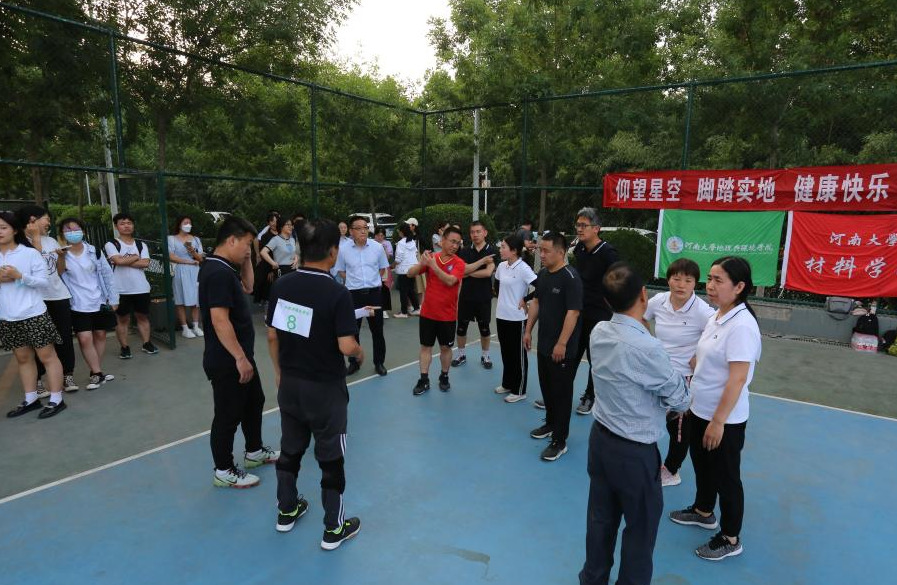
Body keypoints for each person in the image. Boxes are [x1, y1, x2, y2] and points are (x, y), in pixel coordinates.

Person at [579, 262, 691, 585]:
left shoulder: (599, 331)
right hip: (635, 453)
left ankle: (592, 579)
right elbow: (681, 399)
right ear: (644, 294)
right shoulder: (647, 347)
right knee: (640, 530)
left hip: (601, 442)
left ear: (606, 301)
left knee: (600, 519)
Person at [267, 219, 365, 550]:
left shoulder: (282, 286)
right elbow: (346, 345)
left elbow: (273, 335)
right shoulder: (337, 293)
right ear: (333, 251)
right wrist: (360, 352)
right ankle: (333, 529)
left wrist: (279, 372)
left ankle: (286, 510)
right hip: (325, 390)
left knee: (290, 449)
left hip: (291, 384)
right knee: (331, 459)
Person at [669, 256, 761, 561]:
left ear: (739, 286)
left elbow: (737, 379)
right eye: (709, 278)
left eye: (718, 280)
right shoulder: (718, 315)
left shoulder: (742, 326)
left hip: (725, 418)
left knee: (726, 477)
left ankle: (731, 537)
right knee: (703, 464)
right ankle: (703, 511)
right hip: (701, 408)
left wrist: (719, 421)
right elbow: (709, 356)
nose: (710, 285)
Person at [199, 216, 279, 489]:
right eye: (246, 244)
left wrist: (246, 259)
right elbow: (220, 320)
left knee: (254, 401)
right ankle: (224, 470)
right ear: (231, 240)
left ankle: (254, 452)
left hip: (240, 355)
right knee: (228, 414)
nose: (249, 250)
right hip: (228, 359)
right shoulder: (218, 273)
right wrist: (240, 358)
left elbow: (249, 287)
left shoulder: (224, 267)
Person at [644, 258, 715, 487]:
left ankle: (672, 470)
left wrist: (699, 355)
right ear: (668, 280)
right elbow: (640, 316)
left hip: (684, 378)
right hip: (658, 373)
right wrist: (648, 341)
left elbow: (717, 335)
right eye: (676, 279)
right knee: (649, 419)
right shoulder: (659, 301)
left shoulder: (702, 311)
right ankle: (647, 461)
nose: (681, 285)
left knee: (679, 429)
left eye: (688, 280)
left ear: (695, 283)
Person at [1, 211, 67, 419]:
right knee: (22, 358)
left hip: (33, 313)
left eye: (3, 228)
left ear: (15, 230)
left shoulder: (29, 253)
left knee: (47, 356)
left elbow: (44, 282)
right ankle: (31, 399)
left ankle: (56, 399)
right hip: (8, 315)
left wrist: (19, 276)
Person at [523, 232, 582, 461]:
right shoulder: (543, 275)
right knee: (547, 388)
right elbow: (536, 302)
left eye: (546, 250)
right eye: (540, 250)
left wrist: (562, 343)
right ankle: (550, 423)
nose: (542, 254)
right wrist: (528, 330)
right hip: (544, 345)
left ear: (561, 252)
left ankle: (560, 440)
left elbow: (573, 313)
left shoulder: (571, 278)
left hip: (562, 349)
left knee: (561, 394)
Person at [16, 205, 78, 395]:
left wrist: (61, 257)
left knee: (64, 337)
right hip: (36, 300)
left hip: (58, 295)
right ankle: (38, 380)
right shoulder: (19, 244)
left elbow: (58, 272)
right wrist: (35, 239)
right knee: (37, 341)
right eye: (46, 219)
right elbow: (33, 269)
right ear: (32, 220)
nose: (48, 223)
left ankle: (67, 375)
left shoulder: (51, 241)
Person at [57, 217, 119, 391]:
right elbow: (58, 273)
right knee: (85, 339)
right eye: (68, 230)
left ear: (83, 231)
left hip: (99, 300)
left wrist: (114, 299)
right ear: (62, 234)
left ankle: (95, 372)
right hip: (77, 303)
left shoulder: (94, 251)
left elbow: (107, 275)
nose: (72, 232)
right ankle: (97, 373)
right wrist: (60, 257)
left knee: (100, 335)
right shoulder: (61, 254)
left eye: (76, 229)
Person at [570, 208, 620, 416]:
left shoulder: (608, 253)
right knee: (571, 354)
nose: (579, 229)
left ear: (596, 228)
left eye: (584, 225)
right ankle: (561, 392)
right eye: (578, 225)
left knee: (595, 359)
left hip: (600, 315)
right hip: (578, 311)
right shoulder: (579, 249)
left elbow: (617, 281)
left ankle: (590, 396)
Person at [407, 226, 466, 395]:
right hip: (428, 313)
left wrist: (433, 265)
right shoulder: (431, 258)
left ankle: (444, 376)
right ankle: (424, 379)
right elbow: (410, 273)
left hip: (447, 316)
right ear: (442, 240)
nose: (455, 246)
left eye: (458, 243)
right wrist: (422, 263)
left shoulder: (459, 263)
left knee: (445, 348)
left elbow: (450, 281)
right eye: (452, 241)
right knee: (426, 347)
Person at [335, 215, 390, 377]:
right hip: (353, 295)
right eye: (358, 228)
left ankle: (379, 362)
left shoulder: (377, 247)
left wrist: (372, 281)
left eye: (365, 227)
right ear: (351, 231)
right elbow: (341, 270)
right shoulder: (343, 249)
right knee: (353, 330)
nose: (363, 231)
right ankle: (354, 362)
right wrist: (354, 281)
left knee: (377, 330)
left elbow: (382, 268)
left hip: (374, 294)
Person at [105, 213, 158, 358]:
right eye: (122, 223)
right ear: (116, 226)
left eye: (129, 223)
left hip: (141, 288)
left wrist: (124, 260)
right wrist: (134, 257)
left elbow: (146, 263)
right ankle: (124, 347)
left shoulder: (141, 245)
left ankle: (147, 343)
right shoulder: (111, 244)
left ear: (133, 225)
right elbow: (118, 261)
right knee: (122, 319)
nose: (126, 226)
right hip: (120, 289)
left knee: (143, 317)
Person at [493, 234, 538, 403]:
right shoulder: (501, 266)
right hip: (501, 315)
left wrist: (525, 299)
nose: (500, 249)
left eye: (503, 247)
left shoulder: (523, 268)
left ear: (514, 251)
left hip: (517, 319)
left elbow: (540, 285)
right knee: (506, 352)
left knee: (518, 355)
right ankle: (507, 383)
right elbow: (497, 284)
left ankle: (519, 390)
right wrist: (504, 300)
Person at [452, 221, 498, 369]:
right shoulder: (464, 251)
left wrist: (468, 271)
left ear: (485, 233)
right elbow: (461, 272)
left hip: (483, 297)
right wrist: (480, 264)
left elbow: (488, 272)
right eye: (472, 232)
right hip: (466, 296)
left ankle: (485, 356)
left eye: (478, 231)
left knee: (484, 329)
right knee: (461, 328)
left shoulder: (492, 250)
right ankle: (461, 355)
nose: (475, 235)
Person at [168, 215, 205, 339]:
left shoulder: (196, 239)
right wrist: (189, 261)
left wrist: (193, 252)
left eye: (189, 222)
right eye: (185, 222)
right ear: (179, 224)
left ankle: (196, 326)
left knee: (196, 299)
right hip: (181, 270)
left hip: (195, 271)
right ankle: (185, 328)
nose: (188, 225)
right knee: (180, 298)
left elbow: (200, 258)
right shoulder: (171, 239)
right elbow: (171, 256)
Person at [392, 222, 420, 317]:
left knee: (403, 292)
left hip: (403, 270)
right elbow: (416, 253)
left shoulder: (401, 243)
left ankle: (404, 312)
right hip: (413, 269)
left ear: (401, 232)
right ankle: (416, 308)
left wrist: (392, 265)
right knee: (411, 290)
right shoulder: (412, 242)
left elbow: (398, 258)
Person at [252, 211, 279, 306]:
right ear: (268, 223)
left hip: (279, 262)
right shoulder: (265, 236)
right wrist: (270, 268)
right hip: (267, 262)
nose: (274, 223)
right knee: (261, 278)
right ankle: (263, 299)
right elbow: (263, 252)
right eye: (272, 221)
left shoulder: (282, 235)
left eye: (276, 221)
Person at [373, 227, 394, 318]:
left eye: (382, 235)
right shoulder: (371, 243)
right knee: (374, 289)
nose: (380, 237)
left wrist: (384, 248)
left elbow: (388, 257)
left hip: (384, 269)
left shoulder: (387, 243)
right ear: (375, 235)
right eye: (378, 235)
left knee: (384, 289)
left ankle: (384, 310)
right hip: (373, 269)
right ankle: (375, 309)